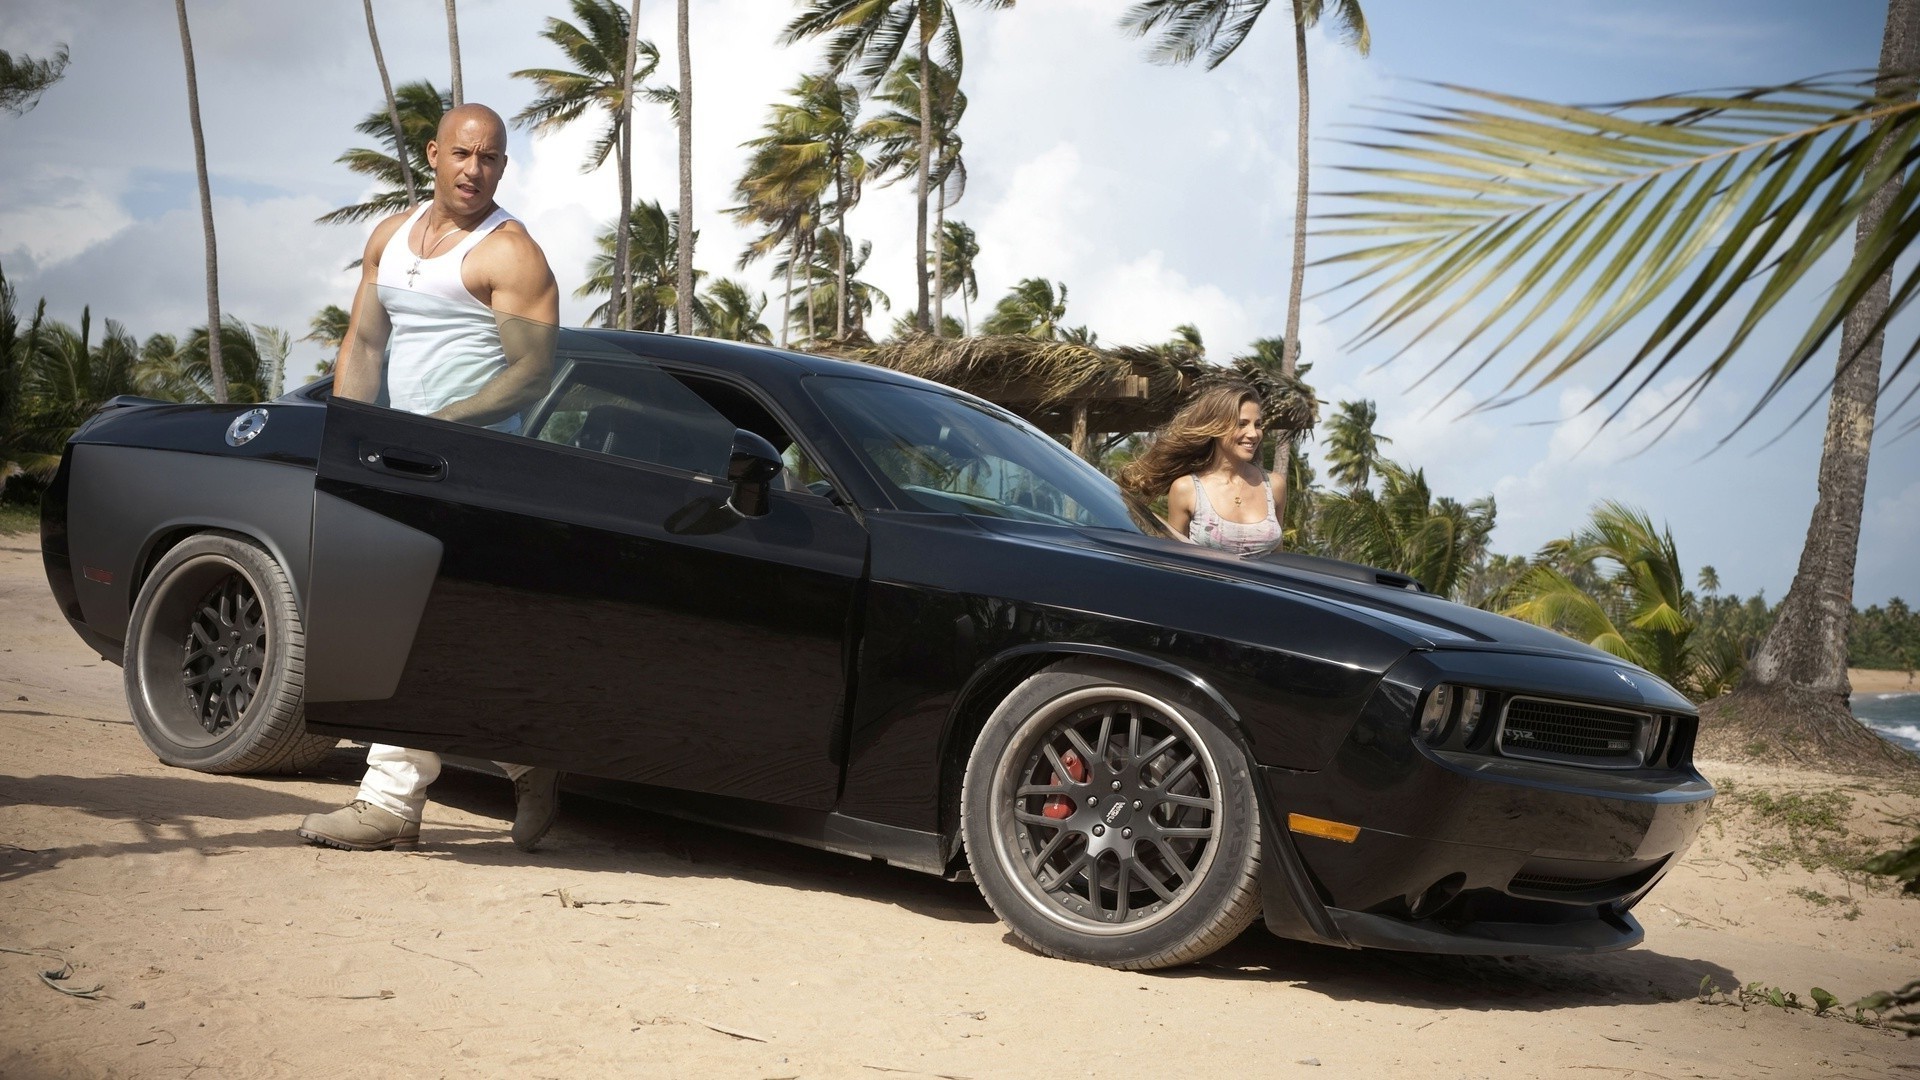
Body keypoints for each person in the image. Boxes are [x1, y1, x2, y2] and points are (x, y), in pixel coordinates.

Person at [297, 103, 564, 854]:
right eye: (462, 154)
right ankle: (526, 752)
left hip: (471, 465)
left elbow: (534, 371)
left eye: (490, 158)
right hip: (394, 460)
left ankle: (388, 804)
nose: (474, 169)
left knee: (407, 629)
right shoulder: (389, 236)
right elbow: (365, 341)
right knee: (418, 630)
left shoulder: (510, 254)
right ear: (434, 154)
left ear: (502, 169)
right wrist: (347, 443)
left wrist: (444, 426)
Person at [1120, 381, 1284, 554]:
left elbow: (1278, 557)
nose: (1253, 434)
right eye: (1241, 424)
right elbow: (1177, 559)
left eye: (1257, 424)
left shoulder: (1274, 485)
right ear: (1217, 426)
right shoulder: (1186, 489)